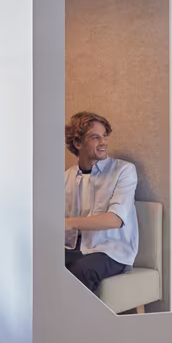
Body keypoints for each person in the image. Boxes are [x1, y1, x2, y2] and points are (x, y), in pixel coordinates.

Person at [63, 111, 139, 295]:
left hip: (111, 251)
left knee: (80, 272)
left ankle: (80, 323)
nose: (103, 142)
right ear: (78, 143)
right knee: (39, 264)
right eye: (95, 138)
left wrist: (68, 223)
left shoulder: (124, 171)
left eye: (104, 136)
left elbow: (115, 220)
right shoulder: (67, 176)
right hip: (73, 247)